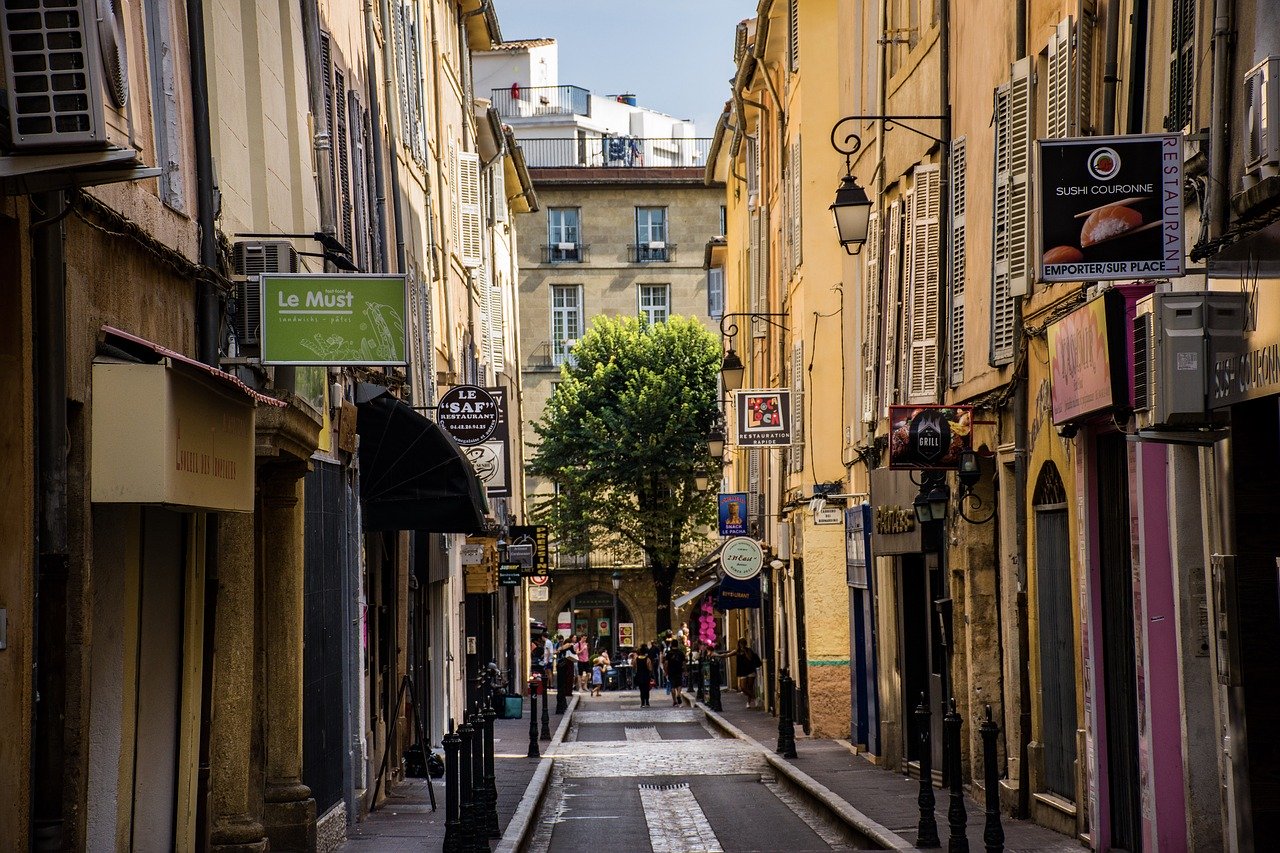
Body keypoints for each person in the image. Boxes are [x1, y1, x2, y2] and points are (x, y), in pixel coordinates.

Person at [718, 638, 762, 708]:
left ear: (745, 644)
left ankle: (748, 702)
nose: (742, 645)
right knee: (743, 687)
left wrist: (745, 651)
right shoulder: (737, 651)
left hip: (750, 670)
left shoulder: (749, 650)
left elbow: (750, 658)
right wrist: (718, 655)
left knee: (750, 687)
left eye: (743, 643)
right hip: (742, 671)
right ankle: (754, 697)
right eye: (740, 643)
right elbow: (727, 655)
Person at [664, 640, 686, 706]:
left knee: (672, 686)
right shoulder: (681, 653)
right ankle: (678, 694)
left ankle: (674, 701)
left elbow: (666, 663)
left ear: (672, 645)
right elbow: (684, 663)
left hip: (671, 670)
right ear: (677, 645)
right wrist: (685, 670)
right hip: (679, 670)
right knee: (679, 683)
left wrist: (666, 671)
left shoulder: (669, 653)